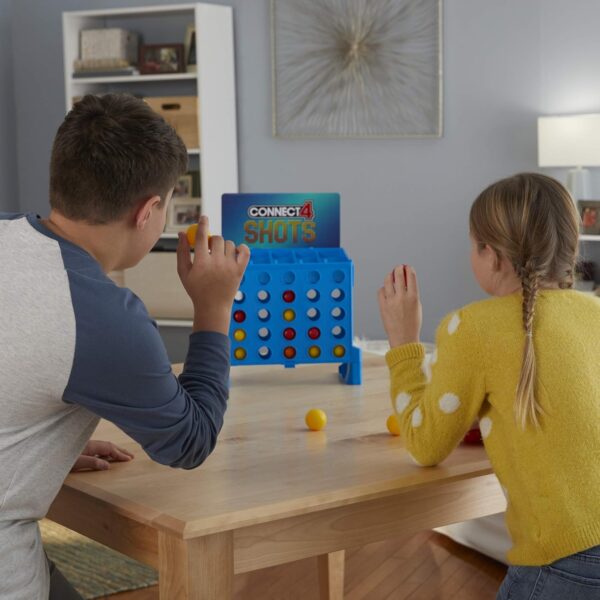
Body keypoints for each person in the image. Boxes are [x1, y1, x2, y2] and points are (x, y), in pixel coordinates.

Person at [0, 93, 249, 599]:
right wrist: (213, 308)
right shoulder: (105, 316)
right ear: (149, 211)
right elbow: (190, 441)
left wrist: (38, 440)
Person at [378, 173, 600, 599]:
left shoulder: (473, 328)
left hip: (563, 560)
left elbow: (425, 445)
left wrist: (403, 344)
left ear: (491, 255)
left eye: (472, 244)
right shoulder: (592, 312)